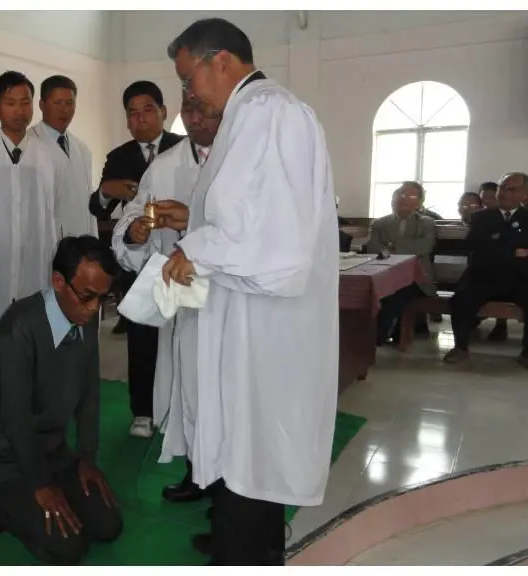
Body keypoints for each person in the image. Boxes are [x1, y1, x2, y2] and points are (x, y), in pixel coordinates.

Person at [163, 18, 339, 565]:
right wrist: (198, 231)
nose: (189, 92)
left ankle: (243, 552)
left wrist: (196, 250)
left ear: (220, 61)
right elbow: (243, 213)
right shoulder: (250, 113)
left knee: (252, 441)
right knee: (246, 440)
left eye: (189, 78)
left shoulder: (267, 112)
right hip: (248, 312)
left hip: (265, 320)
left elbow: (271, 234)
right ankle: (242, 541)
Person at [0, 235, 123, 565]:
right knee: (69, 549)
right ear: (58, 282)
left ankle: (35, 493)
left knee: (108, 526)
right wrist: (40, 485)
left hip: (52, 453)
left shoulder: (83, 317)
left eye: (103, 298)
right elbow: (15, 419)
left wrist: (87, 458)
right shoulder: (18, 330)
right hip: (4, 459)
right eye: (87, 296)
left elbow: (89, 394)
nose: (94, 308)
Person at [111, 92, 219, 505]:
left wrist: (193, 220)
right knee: (190, 382)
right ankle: (196, 469)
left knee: (225, 387)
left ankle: (229, 480)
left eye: (205, 110)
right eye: (189, 110)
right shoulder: (166, 164)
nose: (196, 119)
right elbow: (135, 211)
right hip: (185, 298)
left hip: (228, 297)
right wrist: (135, 230)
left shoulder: (239, 158)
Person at [0, 71, 70, 396]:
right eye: (10, 103)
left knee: (33, 342)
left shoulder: (50, 157)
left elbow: (55, 209)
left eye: (25, 103)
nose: (19, 111)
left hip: (36, 264)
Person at [90, 80, 185, 438]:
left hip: (178, 259)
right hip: (139, 261)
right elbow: (98, 208)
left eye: (148, 110)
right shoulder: (119, 157)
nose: (141, 119)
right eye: (133, 113)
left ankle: (179, 406)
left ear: (163, 112)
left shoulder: (185, 148)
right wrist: (106, 191)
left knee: (181, 336)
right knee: (142, 339)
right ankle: (142, 411)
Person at [443, 172, 528, 371]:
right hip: (484, 275)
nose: (505, 193)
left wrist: (497, 243)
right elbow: (476, 246)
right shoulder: (481, 217)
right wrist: (512, 251)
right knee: (461, 298)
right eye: (502, 188)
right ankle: (460, 347)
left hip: (522, 277)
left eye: (512, 189)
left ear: (524, 194)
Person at [366, 182, 437, 344]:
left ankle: (377, 338)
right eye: (400, 194)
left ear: (419, 202)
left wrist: (392, 247)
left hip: (416, 279)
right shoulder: (380, 223)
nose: (403, 198)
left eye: (410, 196)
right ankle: (369, 335)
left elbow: (424, 247)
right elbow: (373, 249)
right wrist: (396, 248)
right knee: (370, 292)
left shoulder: (426, 223)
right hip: (384, 275)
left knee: (396, 295)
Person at [29, 75, 97, 237]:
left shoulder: (81, 149)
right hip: (44, 241)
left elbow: (89, 204)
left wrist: (93, 241)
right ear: (41, 104)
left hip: (81, 242)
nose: (64, 110)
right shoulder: (28, 145)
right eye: (57, 103)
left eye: (69, 103)